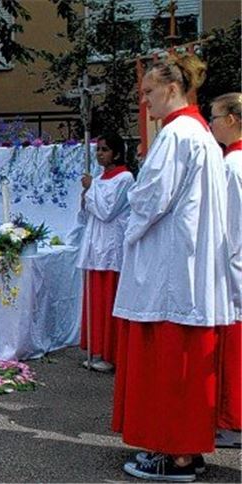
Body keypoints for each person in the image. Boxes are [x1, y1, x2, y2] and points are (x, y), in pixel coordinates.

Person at [113, 54, 233, 481]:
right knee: (182, 360)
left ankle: (175, 455)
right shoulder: (200, 133)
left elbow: (149, 198)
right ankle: (185, 449)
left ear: (171, 88)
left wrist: (129, 216)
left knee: (170, 361)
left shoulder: (177, 134)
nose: (145, 102)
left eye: (148, 92)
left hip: (172, 267)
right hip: (190, 264)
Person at [76, 133, 133, 372]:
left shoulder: (125, 178)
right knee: (95, 301)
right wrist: (85, 197)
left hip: (111, 247)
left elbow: (108, 211)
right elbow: (87, 213)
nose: (100, 153)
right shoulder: (99, 177)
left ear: (117, 153)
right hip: (95, 245)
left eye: (105, 149)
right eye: (98, 149)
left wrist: (91, 190)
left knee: (109, 299)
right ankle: (96, 348)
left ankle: (111, 354)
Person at [210, 92, 242, 449]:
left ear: (232, 120)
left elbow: (231, 230)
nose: (212, 124)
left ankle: (233, 421)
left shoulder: (231, 166)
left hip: (235, 270)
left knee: (234, 351)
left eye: (216, 117)